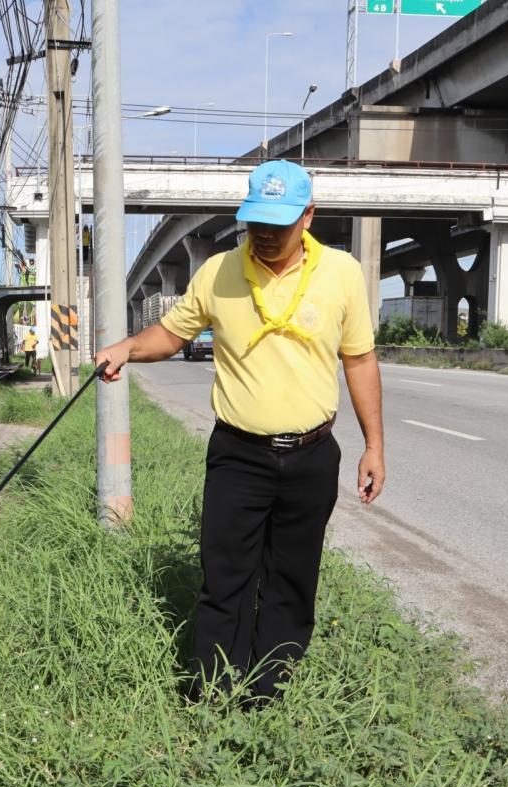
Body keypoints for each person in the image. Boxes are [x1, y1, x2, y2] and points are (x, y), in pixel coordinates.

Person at [93, 160, 385, 701]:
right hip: (238, 455)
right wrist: (128, 348)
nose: (267, 236)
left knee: (292, 581)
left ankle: (268, 694)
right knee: (225, 576)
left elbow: (361, 360)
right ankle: (210, 694)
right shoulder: (218, 271)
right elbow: (171, 335)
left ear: (308, 216)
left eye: (279, 223)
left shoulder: (342, 272)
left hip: (312, 455)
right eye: (257, 224)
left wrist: (375, 446)